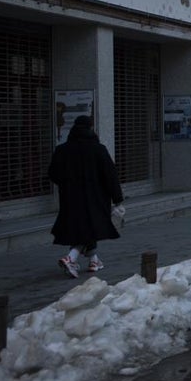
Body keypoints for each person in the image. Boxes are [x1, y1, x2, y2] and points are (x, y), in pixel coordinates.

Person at [48, 115, 124, 279]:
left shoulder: (62, 150)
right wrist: (117, 198)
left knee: (82, 228)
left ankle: (94, 261)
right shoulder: (98, 149)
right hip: (95, 198)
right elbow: (110, 175)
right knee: (89, 227)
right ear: (91, 129)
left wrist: (67, 184)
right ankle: (71, 257)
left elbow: (53, 173)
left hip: (70, 199)